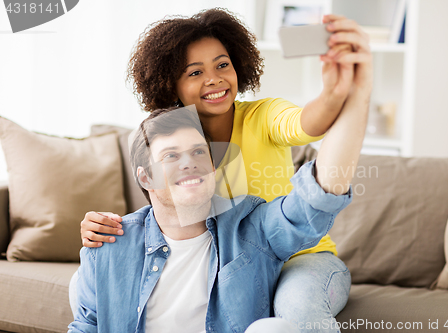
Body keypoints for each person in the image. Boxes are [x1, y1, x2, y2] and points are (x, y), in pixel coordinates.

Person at [74, 8, 372, 331]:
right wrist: (105, 232)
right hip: (238, 262)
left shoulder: (263, 115)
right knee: (82, 282)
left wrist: (334, 94)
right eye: (194, 72)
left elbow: (307, 124)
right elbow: (166, 208)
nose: (213, 79)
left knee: (295, 304)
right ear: (171, 84)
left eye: (222, 65)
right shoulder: (173, 133)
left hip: (296, 253)